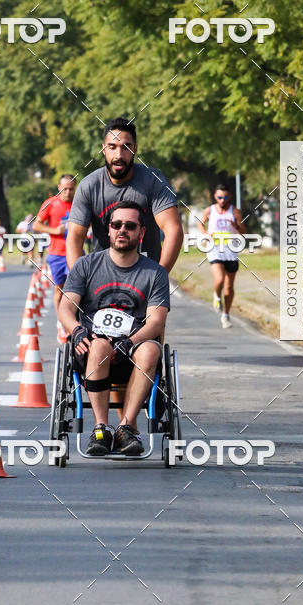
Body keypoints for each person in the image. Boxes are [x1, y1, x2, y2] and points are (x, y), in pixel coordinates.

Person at [66, 117, 183, 419]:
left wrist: (158, 275)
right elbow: (75, 238)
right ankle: (114, 426)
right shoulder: (90, 185)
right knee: (104, 343)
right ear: (103, 150)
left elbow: (173, 230)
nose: (119, 154)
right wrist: (78, 281)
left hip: (144, 281)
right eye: (113, 147)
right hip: (101, 280)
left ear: (135, 150)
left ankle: (127, 424)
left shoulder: (152, 181)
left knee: (142, 348)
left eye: (127, 147)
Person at [59, 201, 169, 456]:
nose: (122, 230)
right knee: (99, 346)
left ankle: (126, 427)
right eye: (116, 225)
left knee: (152, 350)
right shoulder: (86, 265)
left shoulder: (155, 274)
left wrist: (131, 342)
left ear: (141, 233)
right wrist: (76, 330)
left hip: (134, 349)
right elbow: (65, 308)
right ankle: (101, 428)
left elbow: (155, 320)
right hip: (92, 349)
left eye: (130, 226)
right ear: (108, 230)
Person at [33, 175, 76, 343]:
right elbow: (36, 224)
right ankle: (61, 324)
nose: (67, 192)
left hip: (76, 253)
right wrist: (54, 231)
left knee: (78, 290)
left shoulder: (79, 202)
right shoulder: (51, 203)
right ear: (59, 187)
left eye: (71, 189)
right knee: (60, 289)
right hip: (57, 254)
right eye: (64, 188)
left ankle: (74, 323)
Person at [199, 184, 245, 328]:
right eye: (219, 197)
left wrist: (236, 226)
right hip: (214, 249)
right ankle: (217, 296)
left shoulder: (234, 211)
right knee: (219, 279)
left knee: (229, 287)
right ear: (215, 196)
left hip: (231, 251)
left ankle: (226, 315)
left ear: (229, 197)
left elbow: (243, 231)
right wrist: (206, 234)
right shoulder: (210, 210)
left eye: (225, 197)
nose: (222, 200)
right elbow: (201, 223)